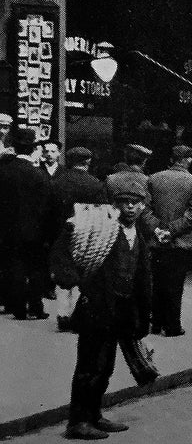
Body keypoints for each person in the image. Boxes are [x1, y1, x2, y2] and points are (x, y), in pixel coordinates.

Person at [52, 175, 154, 441]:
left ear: (143, 206)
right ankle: (78, 421)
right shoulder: (98, 228)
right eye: (124, 202)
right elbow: (63, 251)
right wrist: (72, 279)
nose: (130, 207)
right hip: (96, 308)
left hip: (122, 310)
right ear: (114, 205)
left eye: (136, 202)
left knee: (105, 367)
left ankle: (94, 415)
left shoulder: (139, 235)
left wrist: (144, 317)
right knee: (89, 366)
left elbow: (143, 278)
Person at [146, 145, 192, 336]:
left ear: (172, 159)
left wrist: (158, 229)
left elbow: (145, 209)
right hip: (181, 242)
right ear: (187, 160)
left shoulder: (153, 179)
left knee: (158, 282)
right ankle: (172, 326)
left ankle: (155, 324)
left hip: (157, 240)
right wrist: (171, 231)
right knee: (175, 285)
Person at [0, 129, 56, 320]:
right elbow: (49, 207)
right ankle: (35, 305)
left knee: (13, 265)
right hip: (35, 231)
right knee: (36, 268)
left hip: (7, 229)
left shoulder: (3, 171)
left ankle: (17, 306)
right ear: (33, 149)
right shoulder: (39, 175)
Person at [50, 147, 107, 333]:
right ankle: (76, 315)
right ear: (88, 161)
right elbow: (102, 214)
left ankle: (62, 314)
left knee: (63, 276)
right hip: (86, 235)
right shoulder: (96, 184)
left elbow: (48, 212)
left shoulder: (57, 182)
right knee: (83, 273)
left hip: (60, 233)